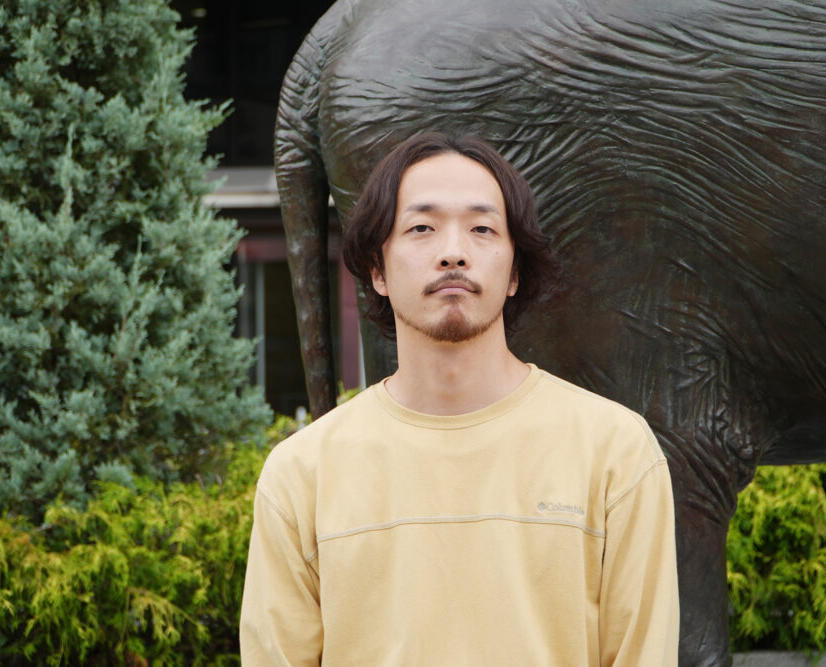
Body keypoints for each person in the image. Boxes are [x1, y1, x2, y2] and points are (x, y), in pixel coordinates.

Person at [240, 132, 679, 665]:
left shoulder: (615, 453)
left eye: (482, 229)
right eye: (421, 228)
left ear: (515, 272)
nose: (453, 252)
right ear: (377, 270)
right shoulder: (302, 474)